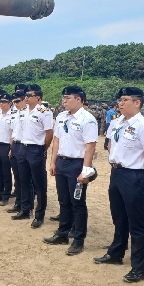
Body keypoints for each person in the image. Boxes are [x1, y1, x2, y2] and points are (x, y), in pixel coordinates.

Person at [94, 87, 144, 283]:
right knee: (118, 216)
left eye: (125, 100)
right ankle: (116, 253)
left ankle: (138, 267)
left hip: (134, 175)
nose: (120, 103)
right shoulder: (117, 123)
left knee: (137, 223)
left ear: (137, 103)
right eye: (119, 100)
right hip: (117, 172)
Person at [44, 86, 97, 255]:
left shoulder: (87, 119)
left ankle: (78, 240)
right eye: (63, 98)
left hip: (77, 165)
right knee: (64, 201)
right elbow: (57, 141)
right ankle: (62, 233)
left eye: (68, 98)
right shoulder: (61, 116)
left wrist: (86, 170)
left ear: (79, 99)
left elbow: (90, 147)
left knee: (78, 203)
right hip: (62, 162)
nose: (64, 101)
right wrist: (53, 162)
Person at [13, 84, 53, 228]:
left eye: (29, 95)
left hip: (36, 149)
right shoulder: (23, 111)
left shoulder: (45, 112)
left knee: (39, 184)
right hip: (23, 148)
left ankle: (39, 215)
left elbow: (49, 134)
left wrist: (43, 149)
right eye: (26, 96)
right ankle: (25, 209)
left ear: (37, 97)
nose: (26, 98)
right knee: (24, 181)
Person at [7, 90, 29, 213]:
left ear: (25, 100)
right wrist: (11, 149)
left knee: (25, 178)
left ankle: (26, 207)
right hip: (15, 146)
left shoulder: (29, 113)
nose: (16, 104)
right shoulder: (14, 113)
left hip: (24, 146)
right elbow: (12, 132)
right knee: (17, 177)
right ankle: (18, 203)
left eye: (18, 101)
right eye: (14, 102)